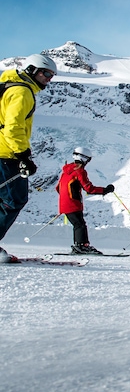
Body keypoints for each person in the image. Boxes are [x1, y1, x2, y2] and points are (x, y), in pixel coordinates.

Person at [0, 54, 57, 264]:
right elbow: (13, 127)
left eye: (52, 75)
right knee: (14, 200)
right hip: (7, 154)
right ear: (32, 70)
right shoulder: (22, 92)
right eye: (47, 73)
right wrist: (23, 156)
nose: (49, 79)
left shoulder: (7, 86)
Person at [56, 147, 114, 254]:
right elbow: (89, 189)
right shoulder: (80, 171)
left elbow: (57, 187)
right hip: (73, 203)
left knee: (77, 224)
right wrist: (105, 190)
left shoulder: (66, 171)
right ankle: (82, 246)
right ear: (85, 159)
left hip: (64, 203)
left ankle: (78, 245)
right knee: (80, 224)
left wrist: (66, 196)